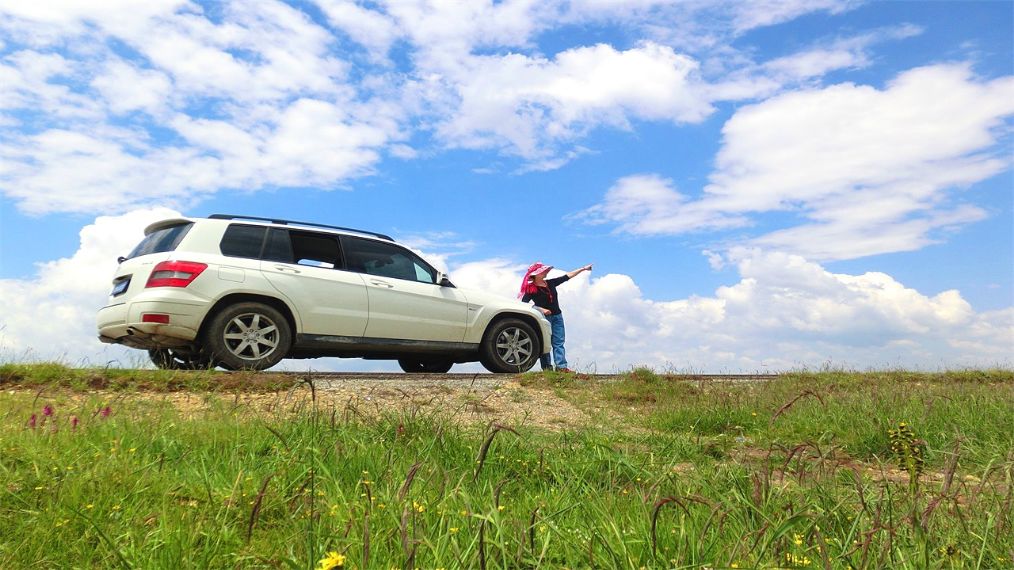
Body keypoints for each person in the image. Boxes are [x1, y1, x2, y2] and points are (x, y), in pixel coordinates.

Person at [518, 261, 592, 372]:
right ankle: (547, 368)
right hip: (543, 318)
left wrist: (583, 269)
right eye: (543, 271)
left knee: (559, 342)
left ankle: (561, 367)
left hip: (557, 316)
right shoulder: (531, 289)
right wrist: (541, 309)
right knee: (546, 342)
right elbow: (524, 305)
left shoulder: (550, 283)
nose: (546, 272)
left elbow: (567, 276)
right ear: (536, 274)